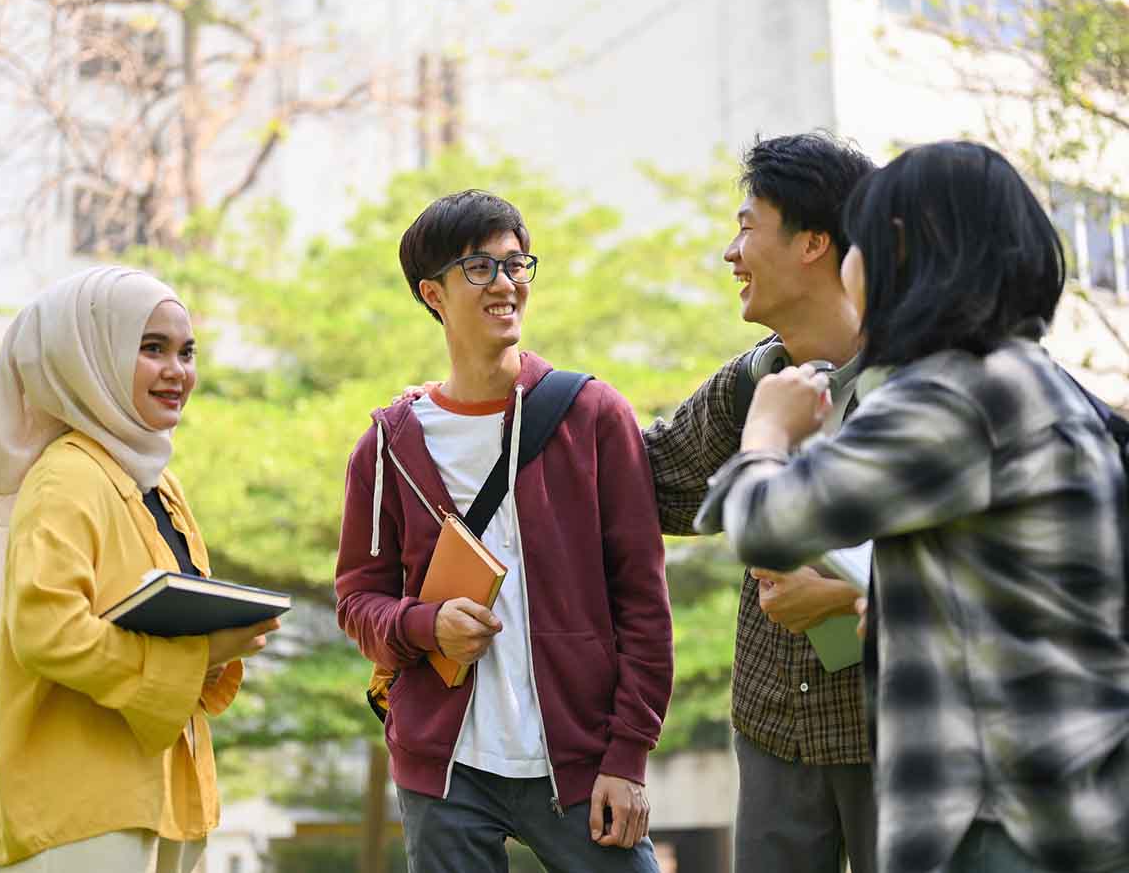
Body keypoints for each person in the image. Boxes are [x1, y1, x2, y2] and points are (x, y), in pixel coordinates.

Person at [710, 141, 1129, 873]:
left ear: (905, 253)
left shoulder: (953, 392)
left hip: (1001, 818)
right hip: (1069, 802)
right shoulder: (1037, 385)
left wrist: (769, 428)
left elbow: (763, 520)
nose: (849, 265)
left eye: (861, 245)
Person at [335, 190, 672, 873]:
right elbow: (356, 602)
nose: (507, 284)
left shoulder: (593, 415)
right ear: (433, 293)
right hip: (444, 769)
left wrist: (629, 754)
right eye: (480, 268)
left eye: (517, 265)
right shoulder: (388, 445)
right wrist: (428, 625)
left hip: (580, 763)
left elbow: (642, 597)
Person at [0, 266, 279, 872]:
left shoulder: (156, 481)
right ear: (88, 355)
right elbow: (47, 630)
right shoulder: (65, 477)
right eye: (150, 348)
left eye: (186, 352)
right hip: (83, 812)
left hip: (164, 799)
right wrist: (200, 654)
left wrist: (222, 638)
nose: (176, 372)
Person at [642, 132, 878, 873]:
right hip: (778, 725)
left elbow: (992, 560)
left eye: (747, 226)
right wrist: (498, 391)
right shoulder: (752, 382)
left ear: (813, 242)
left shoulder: (926, 387)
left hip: (900, 728)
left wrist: (845, 595)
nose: (730, 251)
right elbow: (649, 480)